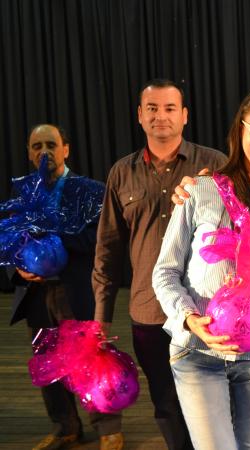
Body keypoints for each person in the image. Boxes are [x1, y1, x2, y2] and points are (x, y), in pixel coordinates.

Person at [152, 84, 250, 450]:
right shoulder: (201, 190)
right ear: (240, 129)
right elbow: (165, 271)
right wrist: (189, 318)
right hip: (198, 353)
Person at [92, 79, 227, 450]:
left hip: (207, 311)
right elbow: (107, 249)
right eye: (152, 108)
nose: (160, 116)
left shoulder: (215, 164)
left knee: (216, 403)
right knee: (166, 403)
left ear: (184, 116)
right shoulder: (122, 173)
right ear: (140, 115)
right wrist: (101, 316)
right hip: (149, 311)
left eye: (169, 108)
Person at [8, 124, 123, 450]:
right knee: (48, 363)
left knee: (91, 359)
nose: (44, 151)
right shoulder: (23, 194)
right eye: (37, 146)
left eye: (51, 144)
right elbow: (11, 243)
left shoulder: (90, 191)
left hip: (75, 288)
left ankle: (108, 430)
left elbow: (102, 241)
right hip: (37, 294)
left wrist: (55, 241)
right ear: (30, 154)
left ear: (66, 149)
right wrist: (20, 266)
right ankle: (66, 428)